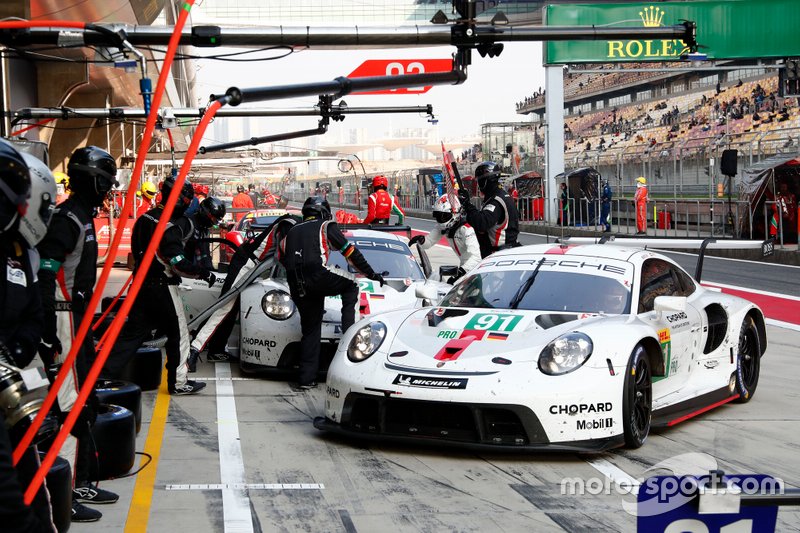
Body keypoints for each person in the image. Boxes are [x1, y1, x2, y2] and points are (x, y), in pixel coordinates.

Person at [36, 146, 119, 522]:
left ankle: (80, 480)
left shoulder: (82, 217)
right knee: (69, 405)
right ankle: (62, 494)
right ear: (93, 180)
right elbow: (44, 274)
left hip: (79, 323)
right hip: (64, 321)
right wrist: (47, 333)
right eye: (105, 183)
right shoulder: (67, 220)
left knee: (84, 402)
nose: (108, 191)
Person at [102, 176, 212, 395]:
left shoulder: (144, 220)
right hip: (163, 287)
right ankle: (179, 383)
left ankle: (103, 377)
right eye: (188, 199)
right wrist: (202, 272)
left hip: (141, 287)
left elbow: (135, 255)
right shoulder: (168, 227)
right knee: (179, 334)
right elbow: (177, 264)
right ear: (181, 198)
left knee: (131, 335)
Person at [1, 142, 57, 532]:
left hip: (16, 378)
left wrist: (20, 347)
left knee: (33, 481)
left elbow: (35, 312)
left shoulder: (20, 251)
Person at [280, 196, 384, 389]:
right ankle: (348, 336)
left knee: (310, 330)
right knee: (351, 284)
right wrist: (371, 273)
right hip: (318, 275)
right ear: (323, 213)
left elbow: (282, 257)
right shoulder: (326, 225)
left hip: (296, 283)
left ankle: (306, 379)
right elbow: (351, 254)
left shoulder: (291, 232)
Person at [189, 212, 299, 372]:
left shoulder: (293, 223)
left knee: (231, 310)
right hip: (246, 262)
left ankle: (215, 349)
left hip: (252, 264)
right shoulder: (290, 224)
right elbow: (283, 254)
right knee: (224, 308)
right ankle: (193, 350)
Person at [408, 194, 479, 283]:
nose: (441, 219)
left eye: (444, 216)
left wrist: (460, 272)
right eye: (438, 216)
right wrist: (421, 240)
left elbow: (477, 257)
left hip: (477, 269)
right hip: (465, 266)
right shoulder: (444, 227)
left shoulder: (467, 229)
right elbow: (429, 242)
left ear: (454, 213)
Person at [457, 161, 520, 258]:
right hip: (505, 252)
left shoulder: (496, 200)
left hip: (499, 256)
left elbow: (482, 223)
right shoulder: (500, 196)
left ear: (486, 181)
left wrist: (467, 205)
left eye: (479, 181)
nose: (478, 184)